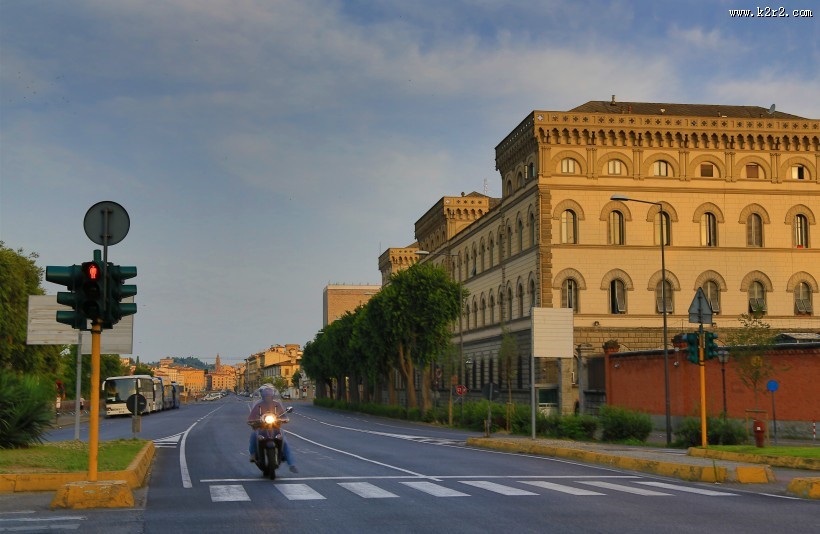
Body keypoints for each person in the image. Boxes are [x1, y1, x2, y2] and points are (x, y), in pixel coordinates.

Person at [247, 387, 297, 473]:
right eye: (266, 396)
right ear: (263, 396)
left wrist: (285, 419)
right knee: (253, 435)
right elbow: (251, 417)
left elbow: (283, 415)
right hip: (261, 427)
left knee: (284, 439)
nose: (268, 398)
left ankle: (291, 464)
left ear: (272, 396)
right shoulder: (258, 405)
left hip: (275, 427)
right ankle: (253, 454)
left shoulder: (277, 404)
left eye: (269, 396)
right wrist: (252, 421)